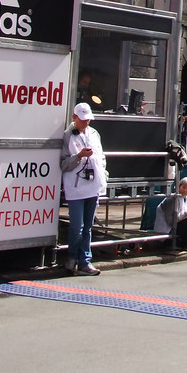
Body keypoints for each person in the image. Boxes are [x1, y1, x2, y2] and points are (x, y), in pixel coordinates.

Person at [60, 103, 108, 276]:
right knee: (77, 226)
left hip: (93, 184)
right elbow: (63, 164)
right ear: (74, 117)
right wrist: (79, 156)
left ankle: (84, 261)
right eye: (83, 120)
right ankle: (73, 257)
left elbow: (101, 157)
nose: (86, 123)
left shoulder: (94, 134)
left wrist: (104, 174)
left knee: (88, 226)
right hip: (76, 187)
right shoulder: (67, 135)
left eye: (88, 120)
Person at [154, 178, 187, 253]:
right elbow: (171, 221)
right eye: (183, 187)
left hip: (176, 226)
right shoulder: (171, 199)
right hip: (167, 231)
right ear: (178, 187)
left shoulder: (186, 198)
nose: (185, 190)